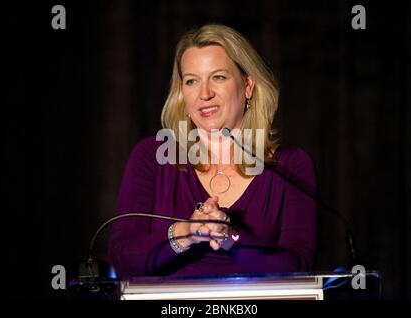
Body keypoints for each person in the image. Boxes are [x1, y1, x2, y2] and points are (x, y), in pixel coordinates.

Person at [108, 24, 317, 278]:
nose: (204, 94)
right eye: (192, 81)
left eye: (218, 77)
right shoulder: (152, 156)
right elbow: (123, 258)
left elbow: (299, 266)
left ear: (248, 85)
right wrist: (186, 233)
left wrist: (230, 237)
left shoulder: (291, 166)